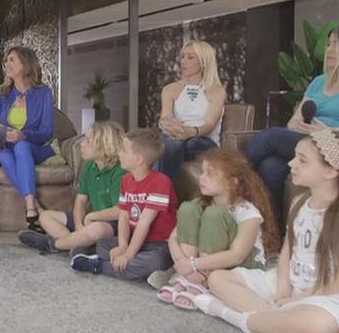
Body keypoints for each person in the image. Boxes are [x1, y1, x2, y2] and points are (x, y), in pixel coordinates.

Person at [195, 128, 339, 333]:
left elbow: (335, 284)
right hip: (289, 283)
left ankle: (235, 316)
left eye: (302, 160)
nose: (291, 163)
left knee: (317, 324)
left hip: (324, 294)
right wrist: (283, 288)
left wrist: (297, 300)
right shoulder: (299, 202)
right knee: (218, 278)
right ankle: (274, 321)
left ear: (330, 171)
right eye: (294, 156)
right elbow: (287, 250)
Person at [156, 149, 280, 310]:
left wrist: (193, 264)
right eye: (202, 172)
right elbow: (173, 237)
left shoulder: (247, 211)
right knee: (188, 208)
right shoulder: (200, 202)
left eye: (209, 174)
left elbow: (237, 255)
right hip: (194, 264)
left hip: (242, 264)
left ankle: (201, 281)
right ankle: (190, 278)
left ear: (232, 182)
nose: (201, 178)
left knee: (214, 215)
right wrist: (182, 263)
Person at [245, 28, 339, 226]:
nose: (330, 50)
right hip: (307, 140)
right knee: (271, 166)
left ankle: (232, 178)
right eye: (329, 44)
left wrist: (327, 132)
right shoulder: (318, 82)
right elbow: (292, 123)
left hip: (332, 145)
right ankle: (273, 231)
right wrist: (297, 123)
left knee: (270, 137)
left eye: (336, 44)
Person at [71, 128, 179, 281]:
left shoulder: (161, 182)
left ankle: (100, 266)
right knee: (103, 245)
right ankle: (129, 267)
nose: (119, 153)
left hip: (158, 244)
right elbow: (123, 216)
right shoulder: (126, 180)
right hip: (135, 239)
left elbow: (144, 223)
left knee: (155, 261)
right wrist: (123, 245)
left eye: (124, 150)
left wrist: (128, 254)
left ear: (138, 159)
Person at [0, 46, 55, 231]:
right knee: (5, 156)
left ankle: (31, 208)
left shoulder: (44, 93)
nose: (8, 64)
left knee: (22, 146)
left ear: (26, 64)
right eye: (7, 60)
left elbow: (47, 132)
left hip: (36, 148)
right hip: (9, 148)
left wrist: (24, 135)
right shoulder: (2, 93)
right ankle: (34, 206)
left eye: (12, 60)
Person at [16, 121, 127, 254]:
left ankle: (53, 244)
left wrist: (91, 216)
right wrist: (79, 225)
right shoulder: (90, 167)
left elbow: (120, 211)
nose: (82, 144)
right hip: (90, 220)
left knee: (97, 230)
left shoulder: (120, 172)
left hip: (111, 224)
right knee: (45, 216)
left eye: (88, 141)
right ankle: (76, 244)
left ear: (105, 146)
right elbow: (80, 201)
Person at [156, 40, 226, 182]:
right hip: (175, 137)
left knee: (168, 145)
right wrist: (167, 124)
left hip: (203, 140)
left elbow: (209, 124)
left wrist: (191, 132)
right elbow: (165, 117)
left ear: (203, 62)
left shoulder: (216, 90)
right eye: (182, 56)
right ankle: (164, 191)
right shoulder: (170, 89)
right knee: (171, 142)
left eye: (190, 57)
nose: (183, 61)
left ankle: (160, 190)